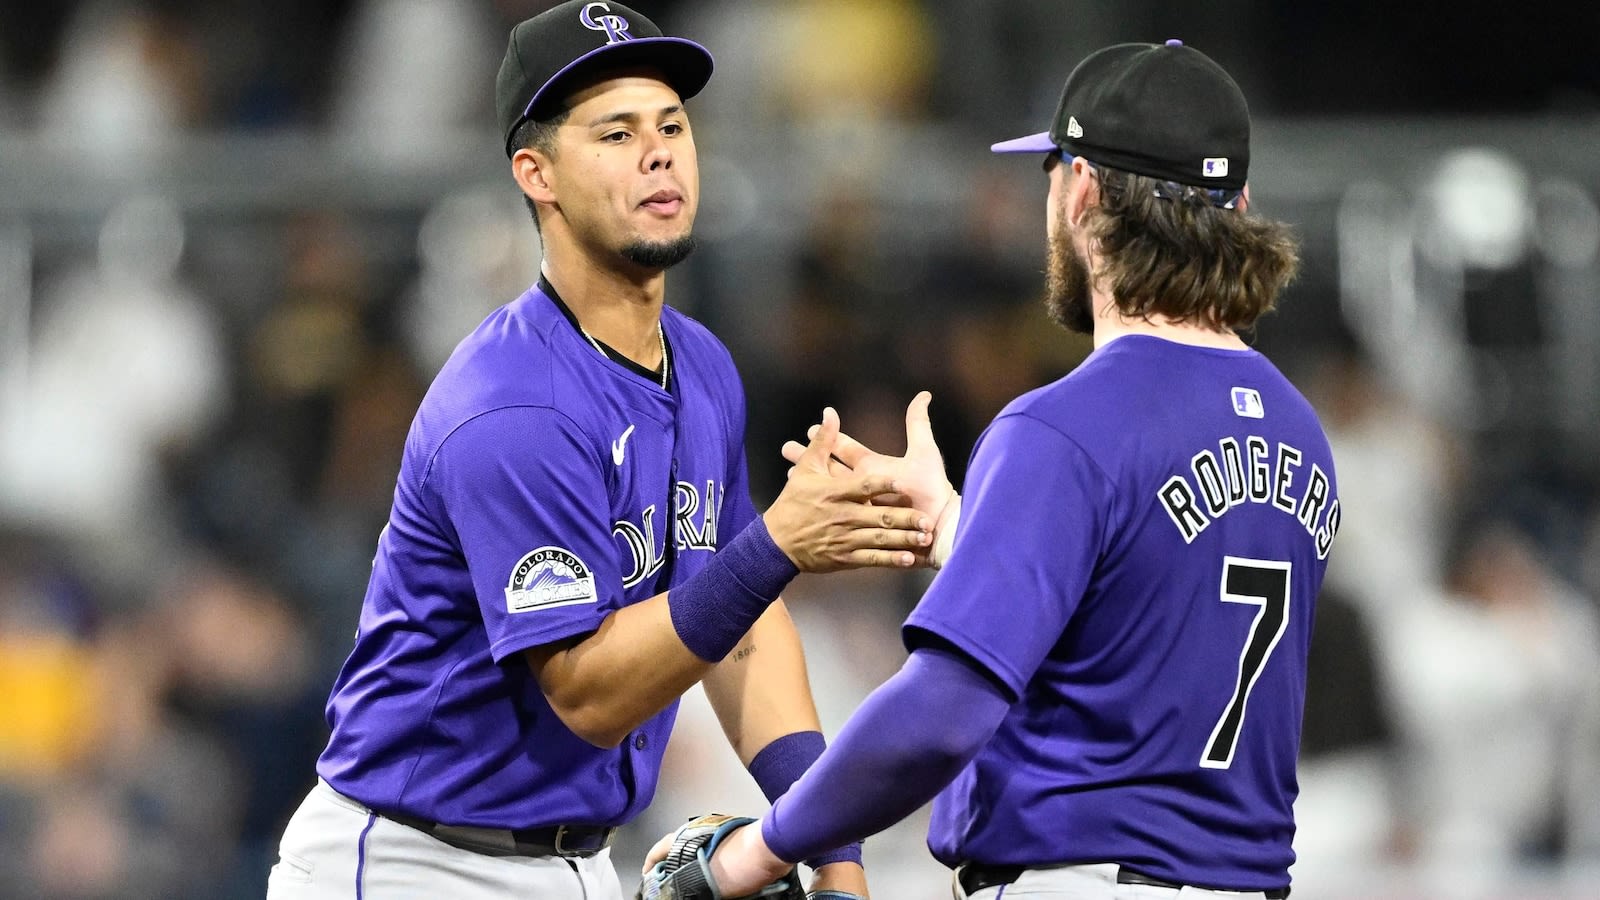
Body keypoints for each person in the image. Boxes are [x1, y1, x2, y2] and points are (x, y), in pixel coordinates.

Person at [266, 3, 932, 897]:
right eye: (615, 132)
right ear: (535, 173)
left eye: (672, 126)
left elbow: (741, 633)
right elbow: (588, 696)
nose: (658, 152)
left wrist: (834, 853)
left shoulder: (700, 365)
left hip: (577, 862)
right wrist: (777, 545)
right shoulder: (512, 405)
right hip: (414, 861)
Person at [673, 39, 1340, 899]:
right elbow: (1143, 609)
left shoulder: (1064, 427)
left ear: (1085, 193)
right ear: (1239, 205)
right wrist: (963, 525)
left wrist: (758, 850)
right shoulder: (1298, 427)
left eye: (1054, 173)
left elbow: (941, 717)